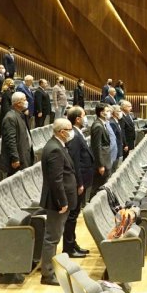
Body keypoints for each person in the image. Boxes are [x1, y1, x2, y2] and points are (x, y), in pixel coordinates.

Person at [39, 118, 78, 286]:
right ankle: (47, 274)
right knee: (52, 238)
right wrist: (62, 201)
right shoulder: (54, 149)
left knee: (54, 236)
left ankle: (51, 269)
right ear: (62, 132)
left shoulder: (58, 145)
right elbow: (56, 180)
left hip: (61, 199)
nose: (71, 131)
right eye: (69, 129)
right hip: (57, 201)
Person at [64, 106, 93, 258]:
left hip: (82, 180)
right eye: (84, 115)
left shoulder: (77, 133)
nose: (85, 118)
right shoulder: (74, 136)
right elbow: (75, 162)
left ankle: (73, 244)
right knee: (72, 216)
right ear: (77, 119)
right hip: (78, 182)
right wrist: (79, 183)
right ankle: (68, 247)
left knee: (74, 215)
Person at [0, 92, 34, 178]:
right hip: (17, 159)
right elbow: (10, 140)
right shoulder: (10, 117)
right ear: (18, 103)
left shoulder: (20, 115)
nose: (26, 102)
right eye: (24, 100)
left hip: (24, 154)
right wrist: (15, 158)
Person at [90, 102, 113, 190]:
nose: (109, 113)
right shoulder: (98, 126)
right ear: (101, 113)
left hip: (105, 160)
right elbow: (97, 146)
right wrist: (100, 165)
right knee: (99, 187)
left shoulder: (102, 124)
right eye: (107, 111)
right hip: (102, 162)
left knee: (103, 185)